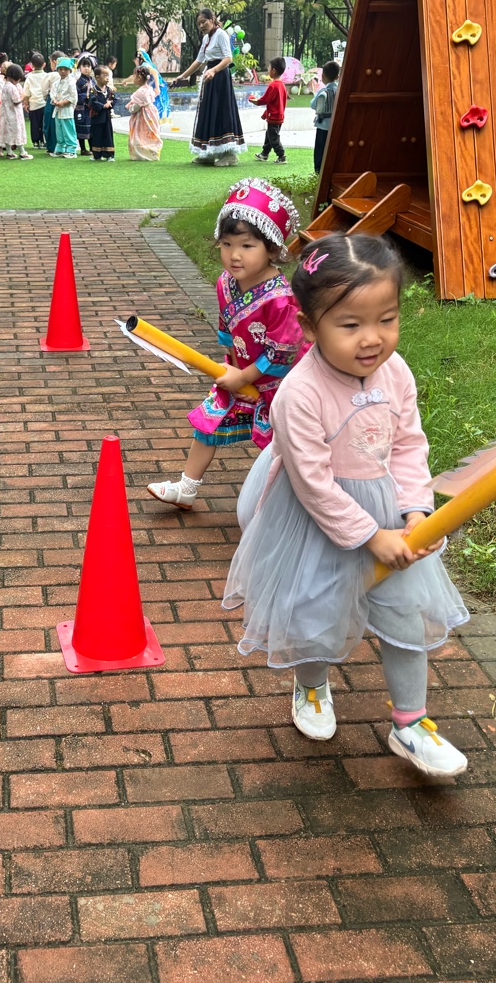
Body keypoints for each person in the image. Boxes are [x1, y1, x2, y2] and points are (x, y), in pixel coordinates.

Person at [222, 232, 470, 775]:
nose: (372, 339)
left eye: (387, 319)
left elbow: (408, 446)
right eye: (351, 325)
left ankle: (410, 723)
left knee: (405, 613)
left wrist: (415, 512)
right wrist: (369, 536)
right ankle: (311, 686)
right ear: (310, 327)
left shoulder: (396, 373)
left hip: (385, 509)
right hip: (315, 517)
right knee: (314, 611)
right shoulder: (300, 393)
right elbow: (312, 483)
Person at [148, 179, 305, 509]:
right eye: (227, 243)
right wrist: (230, 370)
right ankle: (187, 487)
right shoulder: (225, 283)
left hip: (281, 384)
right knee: (209, 421)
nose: (234, 255)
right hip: (239, 372)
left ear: (272, 249)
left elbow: (283, 353)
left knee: (284, 445)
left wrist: (244, 377)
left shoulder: (281, 299)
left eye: (247, 246)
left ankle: (292, 503)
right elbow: (227, 330)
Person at [173, 8, 246, 165]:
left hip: (220, 78)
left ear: (212, 19)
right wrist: (183, 76)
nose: (201, 25)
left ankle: (230, 155)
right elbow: (199, 60)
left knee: (222, 112)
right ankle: (208, 154)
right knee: (208, 112)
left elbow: (228, 58)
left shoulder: (221, 35)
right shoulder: (206, 38)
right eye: (199, 23)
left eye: (203, 22)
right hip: (210, 78)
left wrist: (213, 70)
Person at [250, 56, 289, 165]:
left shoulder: (273, 85)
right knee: (269, 135)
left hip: (274, 117)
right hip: (278, 116)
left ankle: (281, 156)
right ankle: (264, 153)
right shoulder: (282, 85)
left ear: (274, 70)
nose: (268, 70)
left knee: (273, 138)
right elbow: (275, 103)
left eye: (269, 68)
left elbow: (264, 100)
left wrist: (253, 100)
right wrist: (265, 113)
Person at [125, 66, 163, 162]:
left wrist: (131, 108)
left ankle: (140, 154)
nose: (133, 78)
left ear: (139, 78)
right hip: (151, 113)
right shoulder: (149, 89)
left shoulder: (140, 92)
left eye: (134, 76)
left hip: (142, 116)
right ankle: (152, 153)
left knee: (139, 133)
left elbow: (136, 107)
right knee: (150, 131)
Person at [311, 60, 340, 173]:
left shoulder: (322, 91)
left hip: (322, 125)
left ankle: (318, 169)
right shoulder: (339, 91)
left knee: (320, 148)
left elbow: (313, 105)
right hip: (335, 125)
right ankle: (332, 168)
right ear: (337, 77)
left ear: (322, 76)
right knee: (333, 148)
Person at [0, 63, 33, 160]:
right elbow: (16, 100)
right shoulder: (11, 87)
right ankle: (22, 152)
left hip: (6, 114)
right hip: (14, 115)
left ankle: (9, 152)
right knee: (18, 132)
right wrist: (23, 96)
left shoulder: (6, 86)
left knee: (8, 133)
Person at [49, 57, 79, 157]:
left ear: (70, 70)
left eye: (65, 69)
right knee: (59, 130)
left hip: (67, 110)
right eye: (60, 69)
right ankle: (60, 148)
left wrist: (63, 103)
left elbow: (73, 97)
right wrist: (54, 101)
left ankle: (71, 150)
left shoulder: (71, 82)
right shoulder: (56, 83)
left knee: (68, 130)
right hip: (58, 110)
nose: (62, 71)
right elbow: (52, 93)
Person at [88, 66, 117, 161]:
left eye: (108, 76)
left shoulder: (109, 90)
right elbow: (92, 101)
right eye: (105, 75)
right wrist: (103, 105)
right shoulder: (93, 90)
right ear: (97, 77)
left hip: (107, 118)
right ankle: (97, 154)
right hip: (97, 117)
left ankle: (109, 155)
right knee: (97, 135)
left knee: (107, 135)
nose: (107, 78)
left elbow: (114, 99)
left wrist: (110, 104)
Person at [24, 51, 50, 149]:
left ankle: (36, 141)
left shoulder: (29, 77)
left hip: (34, 104)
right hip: (44, 103)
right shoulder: (47, 76)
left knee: (34, 124)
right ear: (44, 64)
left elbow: (26, 93)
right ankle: (43, 141)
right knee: (44, 123)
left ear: (32, 65)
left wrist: (26, 104)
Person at [43, 50, 65, 155]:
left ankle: (52, 146)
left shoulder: (51, 75)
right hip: (65, 102)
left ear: (55, 62)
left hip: (52, 101)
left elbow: (44, 89)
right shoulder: (70, 75)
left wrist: (45, 97)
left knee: (50, 124)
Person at [74, 57, 97, 156]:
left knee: (91, 128)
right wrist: (86, 96)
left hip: (91, 108)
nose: (87, 68)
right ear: (80, 67)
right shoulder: (79, 81)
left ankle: (92, 148)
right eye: (84, 66)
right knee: (81, 128)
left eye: (89, 66)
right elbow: (76, 94)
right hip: (82, 108)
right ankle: (83, 149)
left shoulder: (93, 80)